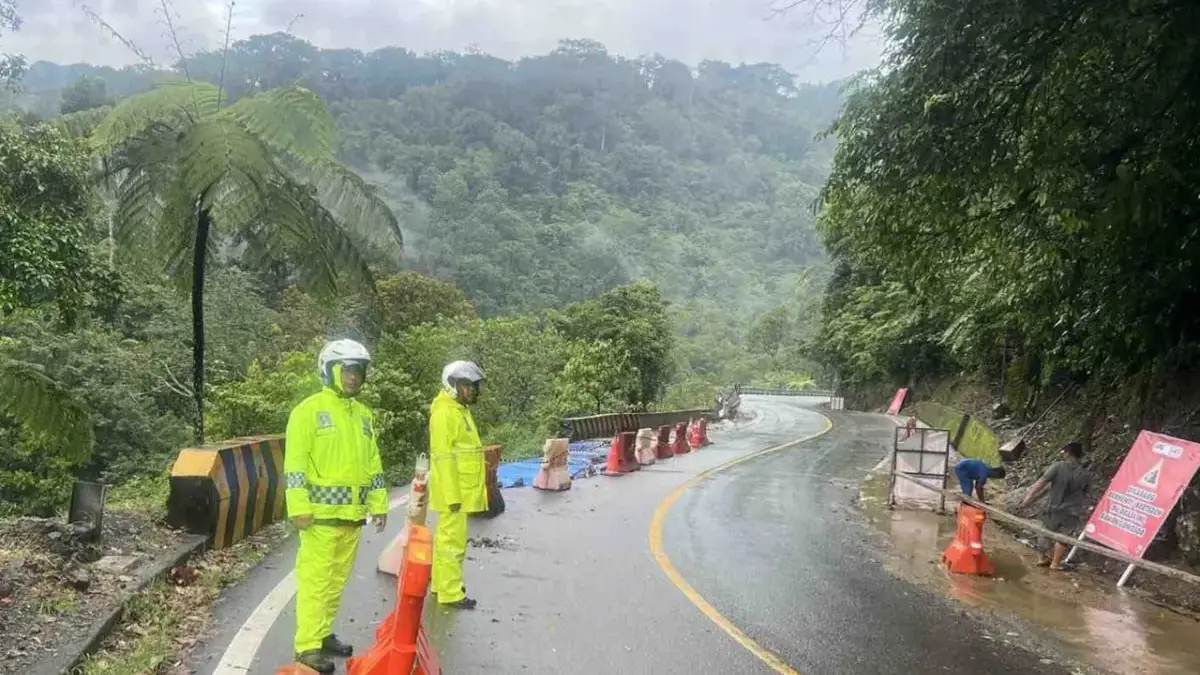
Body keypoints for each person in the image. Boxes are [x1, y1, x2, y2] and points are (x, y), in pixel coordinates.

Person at [284, 339, 388, 674]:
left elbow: (373, 465)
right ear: (329, 371)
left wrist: (379, 504)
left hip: (351, 517)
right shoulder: (307, 411)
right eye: (347, 370)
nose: (353, 377)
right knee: (316, 582)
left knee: (336, 582)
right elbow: (295, 466)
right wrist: (298, 506)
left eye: (358, 371)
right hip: (319, 519)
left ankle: (323, 633)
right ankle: (307, 645)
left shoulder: (363, 416)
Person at [429, 360, 488, 609]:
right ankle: (451, 592)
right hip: (455, 493)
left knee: (448, 541)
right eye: (467, 385)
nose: (471, 391)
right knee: (452, 543)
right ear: (452, 385)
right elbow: (442, 457)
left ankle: (441, 585)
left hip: (460, 490)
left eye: (473, 386)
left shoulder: (458, 410)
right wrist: (453, 496)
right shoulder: (445, 413)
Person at [1020, 441, 1093, 571]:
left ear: (1067, 453)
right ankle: (1055, 563)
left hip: (1053, 507)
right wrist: (1084, 509)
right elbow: (1086, 495)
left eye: (1064, 452)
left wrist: (1028, 497)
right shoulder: (1086, 474)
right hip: (1072, 512)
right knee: (1063, 538)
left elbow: (1041, 482)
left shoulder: (1058, 467)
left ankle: (1041, 559)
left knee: (1045, 532)